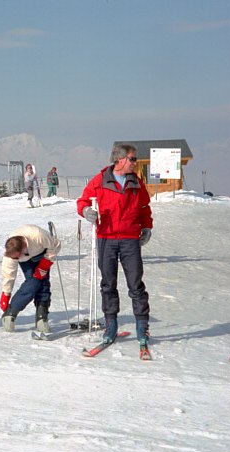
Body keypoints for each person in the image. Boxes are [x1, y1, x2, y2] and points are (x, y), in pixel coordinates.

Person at [76, 144, 154, 350]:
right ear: (120, 160)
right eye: (133, 159)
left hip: (130, 239)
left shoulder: (136, 183)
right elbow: (82, 201)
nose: (135, 163)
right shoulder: (99, 180)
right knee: (108, 284)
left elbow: (145, 207)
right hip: (106, 238)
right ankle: (111, 325)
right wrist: (86, 211)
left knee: (136, 284)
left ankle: (142, 325)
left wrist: (146, 227)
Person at [0, 224, 61, 333]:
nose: (15, 259)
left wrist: (44, 265)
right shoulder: (11, 251)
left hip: (42, 254)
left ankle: (41, 317)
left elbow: (55, 245)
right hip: (26, 260)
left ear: (23, 247)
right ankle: (12, 311)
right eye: (14, 257)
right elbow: (8, 272)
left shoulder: (38, 235)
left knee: (43, 283)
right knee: (34, 282)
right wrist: (6, 293)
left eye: (17, 256)